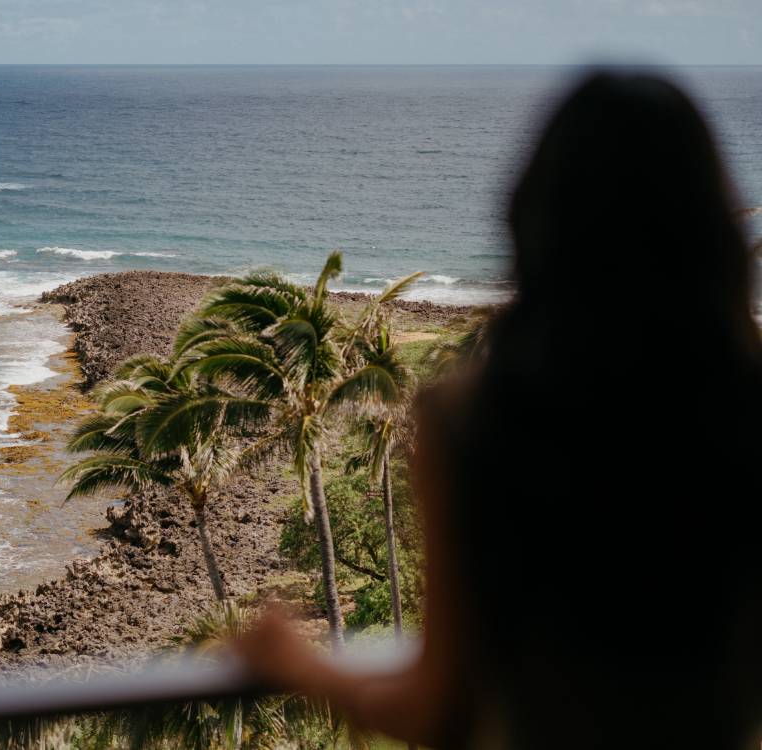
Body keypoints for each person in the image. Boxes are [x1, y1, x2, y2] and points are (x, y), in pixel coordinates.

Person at [235, 70, 762, 750]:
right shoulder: (744, 411)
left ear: (538, 217)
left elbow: (442, 710)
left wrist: (300, 667)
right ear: (710, 227)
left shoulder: (477, 420)